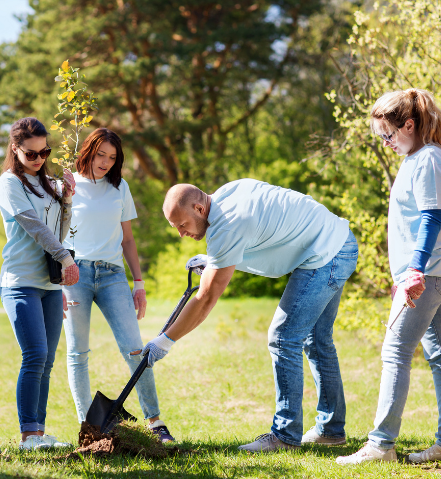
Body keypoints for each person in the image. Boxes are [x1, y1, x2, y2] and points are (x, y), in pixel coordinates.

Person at [142, 179, 359, 452]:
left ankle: (284, 435)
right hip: (338, 240)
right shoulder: (227, 193)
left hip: (327, 254)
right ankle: (330, 430)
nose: (181, 235)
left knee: (283, 337)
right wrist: (215, 261)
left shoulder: (227, 225)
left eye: (182, 226)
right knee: (316, 340)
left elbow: (206, 297)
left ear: (199, 208)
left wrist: (165, 341)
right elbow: (261, 231)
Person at [337, 89, 441, 465]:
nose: (386, 142)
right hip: (438, 272)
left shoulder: (428, 160)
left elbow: (431, 217)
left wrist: (414, 270)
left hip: (428, 275)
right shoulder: (422, 157)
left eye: (388, 135)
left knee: (394, 352)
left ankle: (381, 445)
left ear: (409, 124)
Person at [61, 128, 174, 442]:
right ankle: (89, 427)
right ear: (88, 151)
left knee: (135, 350)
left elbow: (128, 239)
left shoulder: (120, 187)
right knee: (77, 353)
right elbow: (55, 235)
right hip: (75, 275)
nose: (106, 162)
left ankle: (155, 421)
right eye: (101, 155)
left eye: (112, 158)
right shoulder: (66, 184)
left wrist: (139, 283)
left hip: (112, 275)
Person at [0, 117, 79, 450]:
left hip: (48, 284)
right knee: (35, 354)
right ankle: (28, 436)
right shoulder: (9, 183)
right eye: (31, 154)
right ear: (16, 149)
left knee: (47, 361)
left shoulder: (48, 184)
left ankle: (39, 434)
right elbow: (32, 225)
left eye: (44, 152)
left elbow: (59, 232)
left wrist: (68, 199)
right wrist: (67, 259)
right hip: (19, 281)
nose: (39, 159)